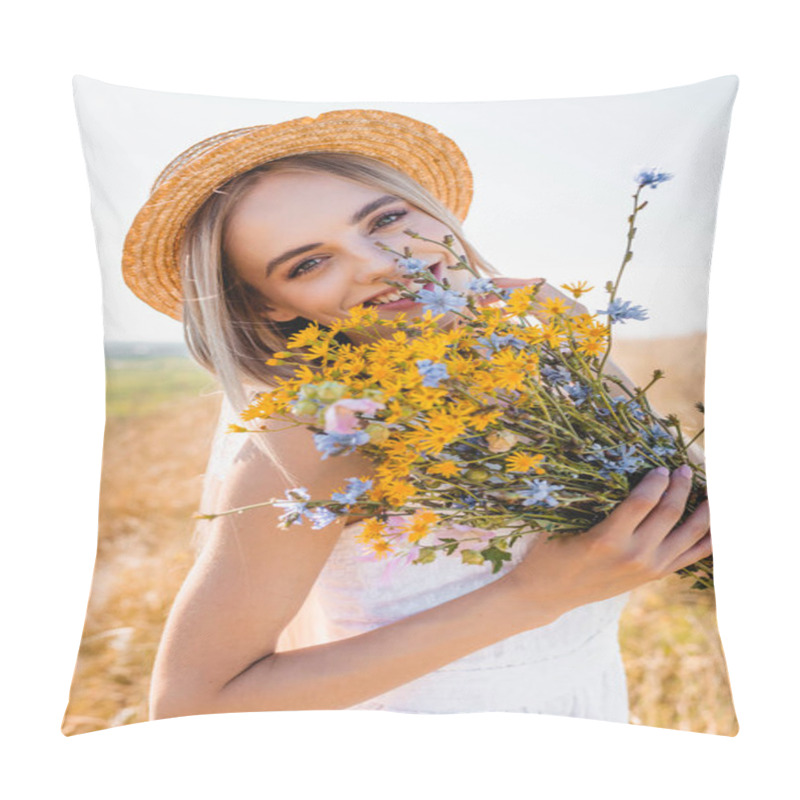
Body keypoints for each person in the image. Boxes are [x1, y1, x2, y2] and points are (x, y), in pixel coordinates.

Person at [121, 109, 711, 721]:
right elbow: (192, 707)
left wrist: (587, 367)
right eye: (308, 263)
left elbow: (689, 513)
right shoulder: (321, 427)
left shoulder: (522, 366)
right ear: (268, 307)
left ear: (426, 208)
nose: (381, 261)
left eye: (386, 218)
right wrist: (532, 595)